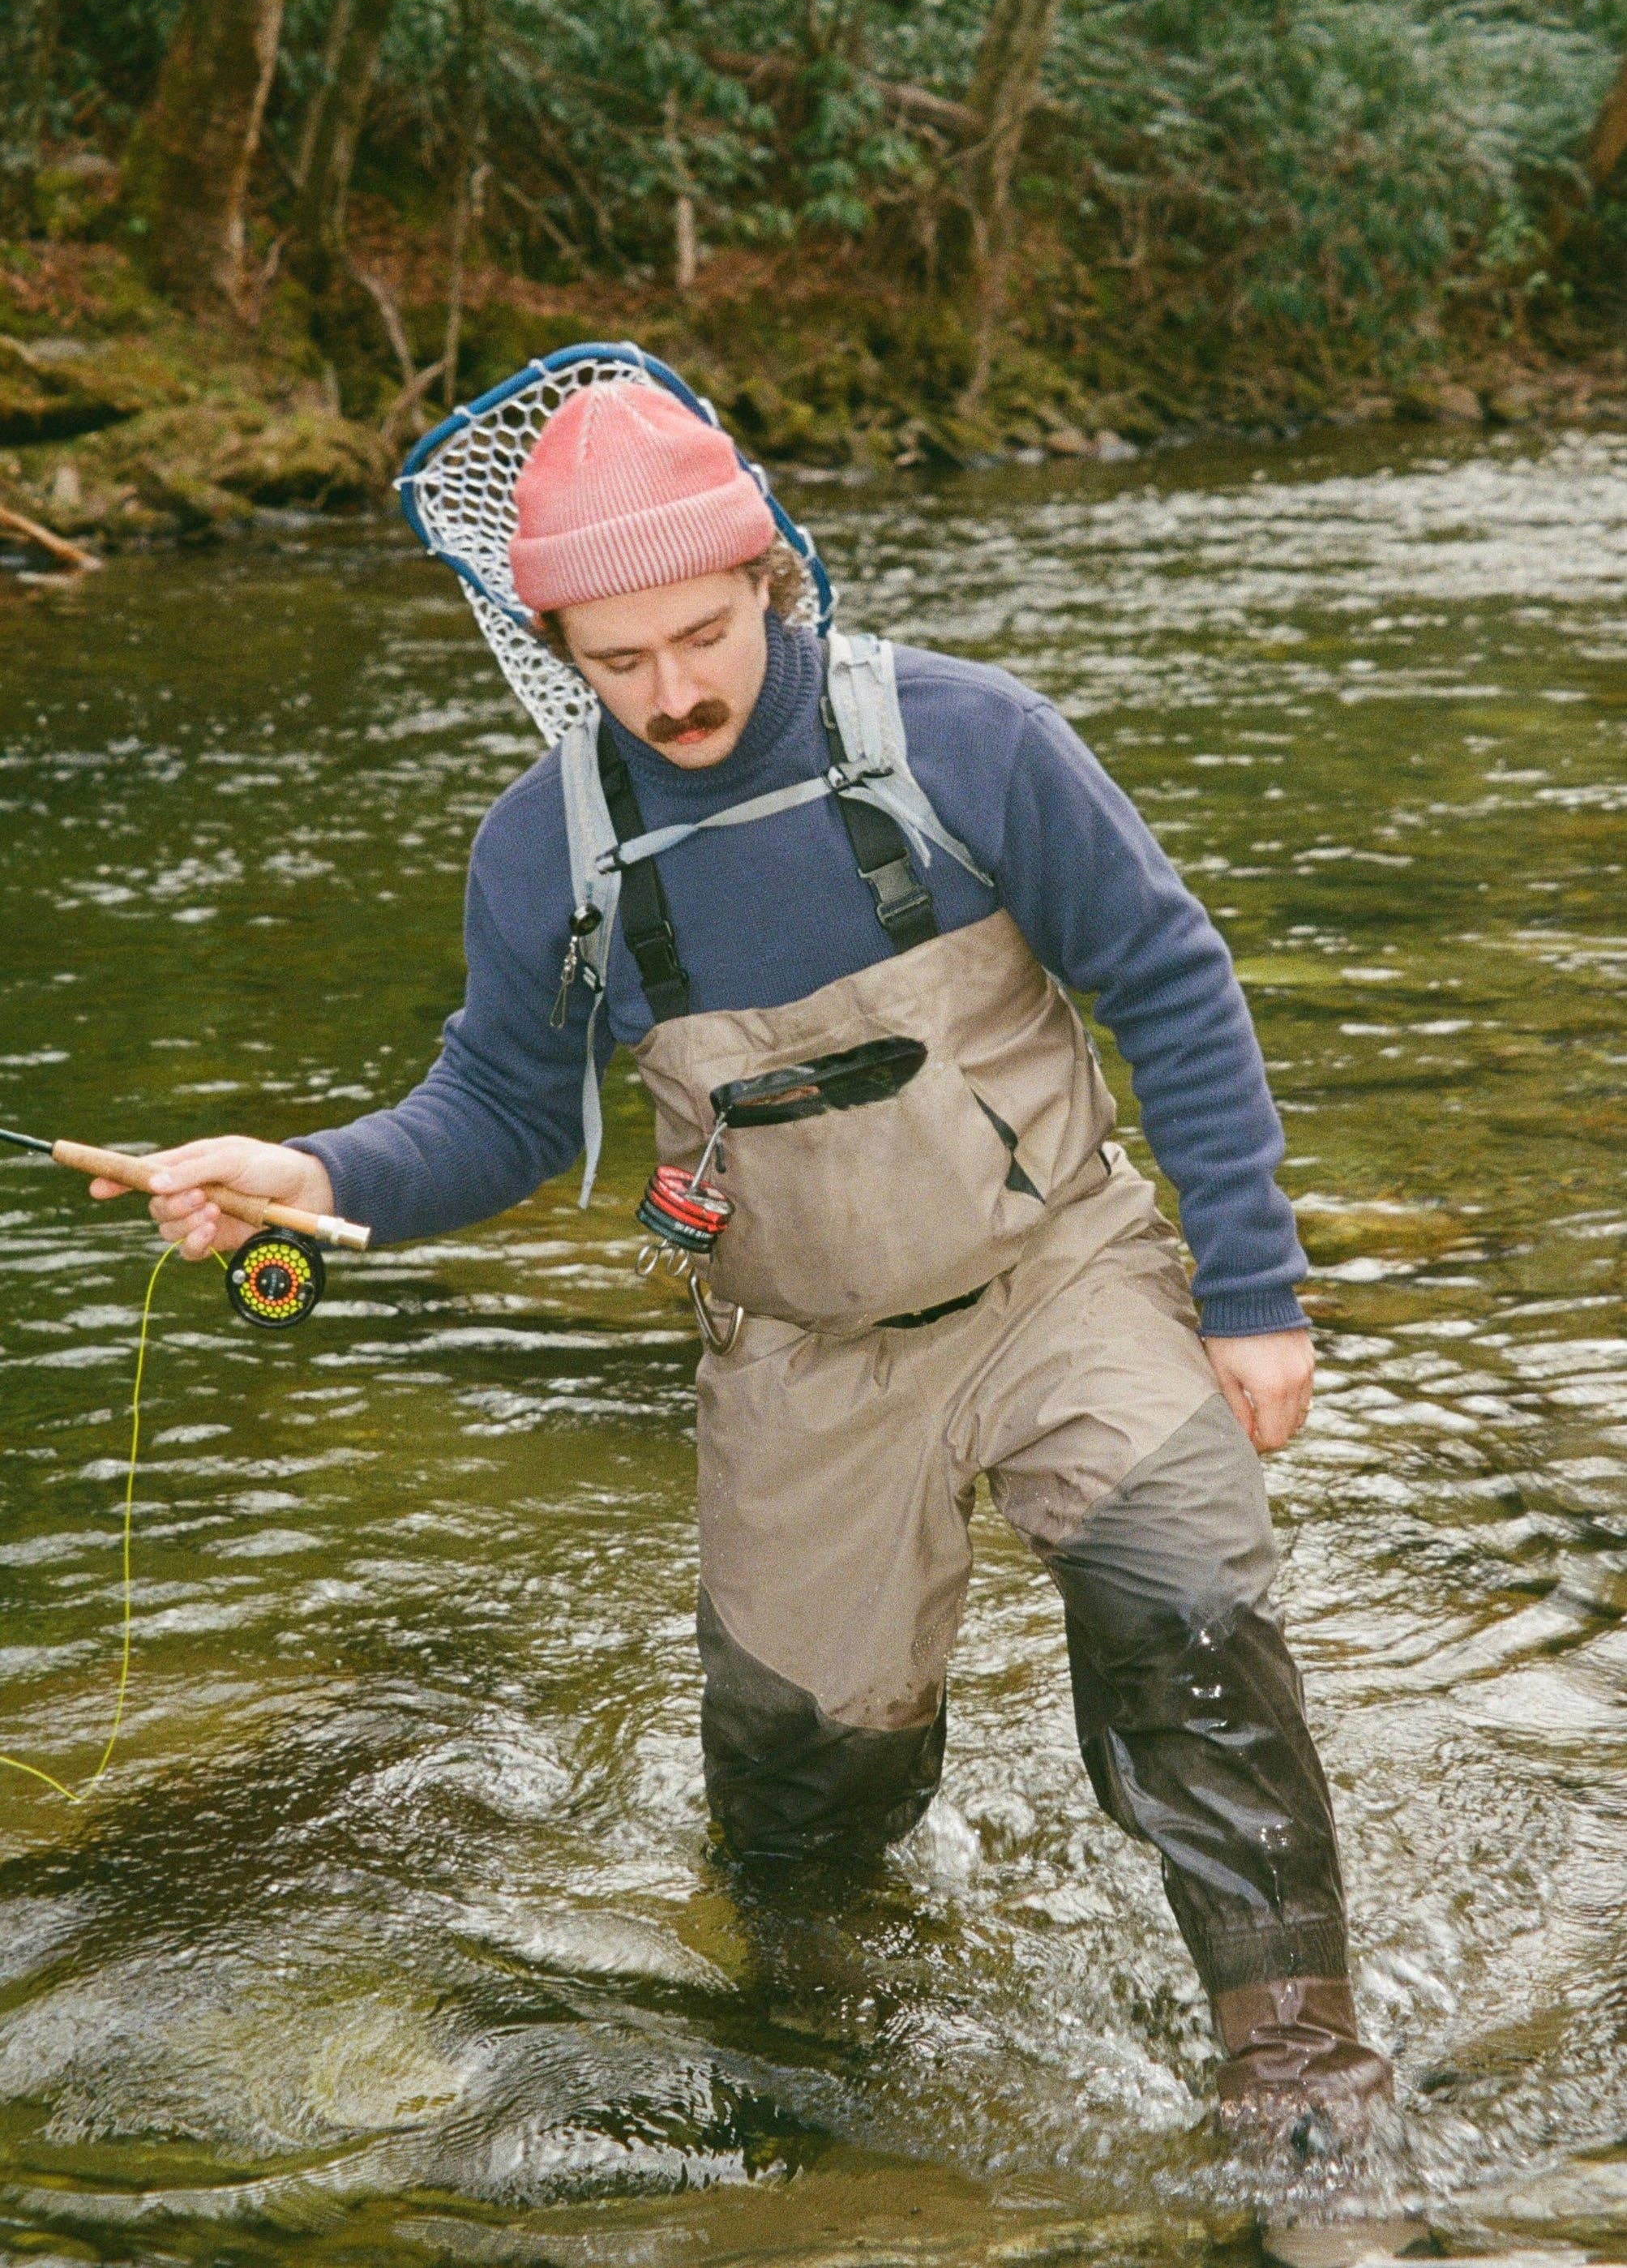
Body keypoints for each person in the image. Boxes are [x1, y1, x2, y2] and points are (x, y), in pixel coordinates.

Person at [104, 376, 1392, 2129]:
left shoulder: (971, 738)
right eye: (615, 661)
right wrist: (306, 1169)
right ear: (551, 637)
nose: (675, 693)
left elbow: (1168, 982)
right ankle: (825, 2089)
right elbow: (491, 1111)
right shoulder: (543, 849)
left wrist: (1249, 1293)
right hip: (797, 1354)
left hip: (1057, 1281)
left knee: (1188, 1617)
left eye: (701, 635)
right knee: (799, 1794)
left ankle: (1303, 2085)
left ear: (773, 574)